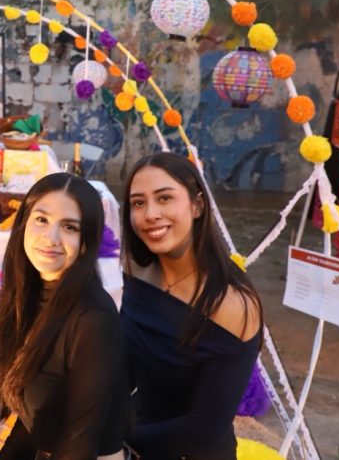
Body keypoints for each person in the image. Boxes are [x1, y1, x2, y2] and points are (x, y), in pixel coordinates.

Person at [120, 152, 264, 459]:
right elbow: (125, 362)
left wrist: (113, 437)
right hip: (132, 435)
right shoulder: (137, 269)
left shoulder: (232, 305)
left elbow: (204, 431)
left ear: (197, 205)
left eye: (164, 198)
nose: (150, 214)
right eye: (138, 203)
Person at [0, 172, 125, 460]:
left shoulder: (93, 319)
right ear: (23, 224)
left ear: (86, 242)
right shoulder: (27, 295)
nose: (50, 238)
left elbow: (79, 444)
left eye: (69, 227)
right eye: (42, 219)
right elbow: (30, 420)